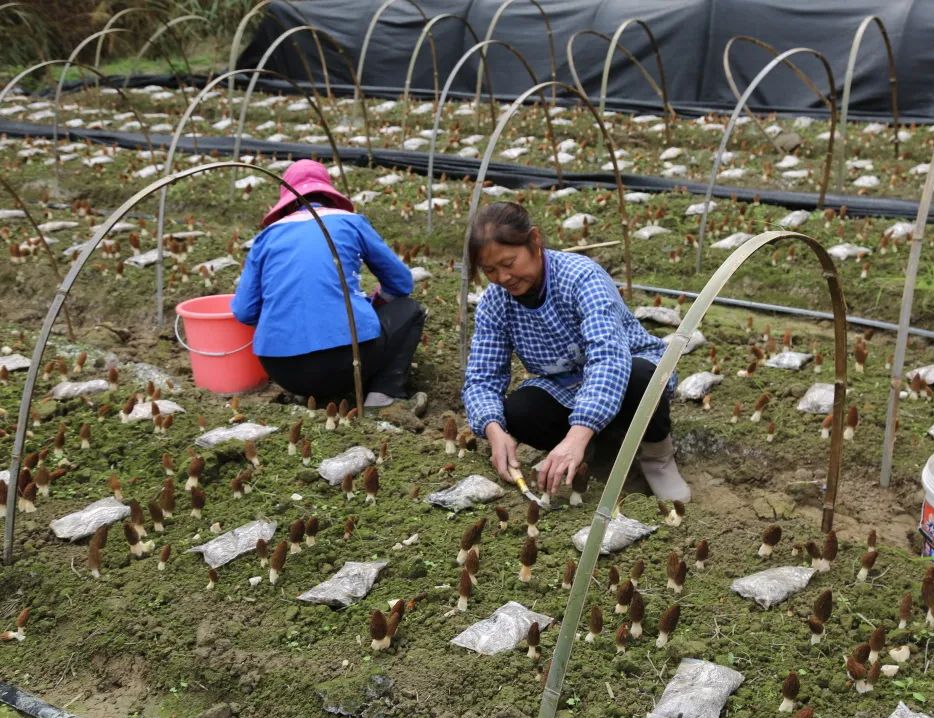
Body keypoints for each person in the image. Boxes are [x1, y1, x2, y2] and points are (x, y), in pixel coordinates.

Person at [461, 202, 690, 502]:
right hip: (567, 386)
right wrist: (493, 430)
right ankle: (596, 449)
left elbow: (609, 358)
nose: (503, 277)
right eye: (490, 270)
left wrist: (577, 432)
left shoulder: (581, 278)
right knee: (518, 410)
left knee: (642, 378)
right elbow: (481, 378)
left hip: (626, 368)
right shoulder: (496, 302)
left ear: (535, 241)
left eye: (509, 263)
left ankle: (657, 457)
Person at [231, 159, 425, 407]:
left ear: (286, 201)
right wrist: (376, 301)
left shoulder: (266, 238)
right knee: (410, 310)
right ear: (328, 193)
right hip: (348, 360)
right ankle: (383, 395)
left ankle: (309, 394)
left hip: (281, 370)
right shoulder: (350, 222)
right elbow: (401, 283)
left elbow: (244, 310)